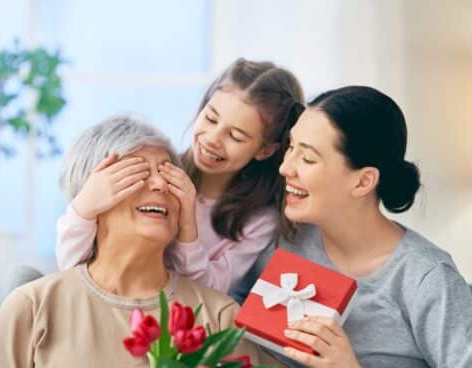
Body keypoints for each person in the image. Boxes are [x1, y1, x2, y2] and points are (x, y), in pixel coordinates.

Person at [233, 86, 472, 368]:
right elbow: (226, 316)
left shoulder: (424, 277)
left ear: (362, 182)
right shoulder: (286, 241)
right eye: (290, 147)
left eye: (308, 159)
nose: (286, 168)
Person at [0, 114, 262, 367]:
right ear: (91, 194)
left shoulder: (220, 317)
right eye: (136, 173)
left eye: (168, 174)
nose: (160, 184)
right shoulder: (32, 308)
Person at [56, 58, 305, 294]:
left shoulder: (258, 220)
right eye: (210, 118)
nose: (212, 139)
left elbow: (210, 296)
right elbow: (76, 268)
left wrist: (188, 227)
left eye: (236, 136)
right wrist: (84, 207)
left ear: (265, 150)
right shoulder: (157, 178)